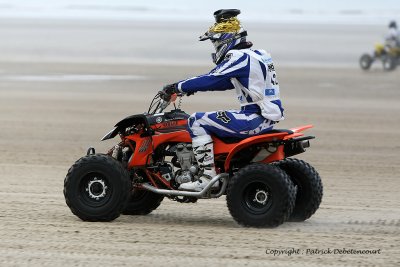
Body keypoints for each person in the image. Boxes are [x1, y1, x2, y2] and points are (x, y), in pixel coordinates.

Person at [160, 9, 284, 191]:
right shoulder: (259, 55)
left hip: (253, 118)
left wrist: (177, 87)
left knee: (196, 120)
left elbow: (212, 78)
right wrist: (191, 89)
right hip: (266, 118)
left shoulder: (239, 57)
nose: (215, 46)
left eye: (215, 42)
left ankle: (207, 176)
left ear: (226, 39)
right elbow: (228, 81)